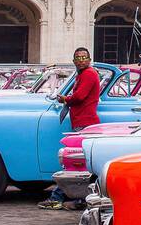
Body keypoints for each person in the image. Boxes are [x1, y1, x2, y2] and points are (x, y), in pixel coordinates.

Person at [41, 48, 101, 210]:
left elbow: (80, 96)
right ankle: (74, 198)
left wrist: (64, 99)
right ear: (74, 61)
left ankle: (57, 197)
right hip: (82, 121)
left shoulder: (88, 74)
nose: (81, 60)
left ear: (89, 59)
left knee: (74, 163)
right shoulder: (84, 74)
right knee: (79, 163)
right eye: (78, 58)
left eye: (84, 57)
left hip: (85, 122)